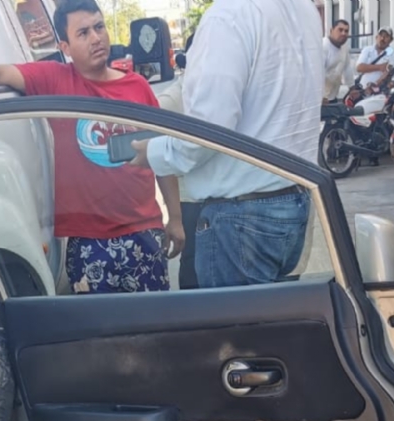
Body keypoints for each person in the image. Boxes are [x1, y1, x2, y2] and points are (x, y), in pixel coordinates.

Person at [0, 0, 185, 294]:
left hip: (144, 232)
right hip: (88, 241)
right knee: (96, 335)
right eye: (83, 33)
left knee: (154, 331)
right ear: (65, 47)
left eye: (99, 27)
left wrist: (176, 218)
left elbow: (161, 156)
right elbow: (2, 74)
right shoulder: (54, 81)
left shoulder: (137, 87)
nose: (96, 38)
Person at [132, 0, 324, 288]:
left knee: (234, 331)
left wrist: (154, 151)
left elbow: (209, 131)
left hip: (241, 218)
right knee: (274, 326)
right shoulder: (304, 11)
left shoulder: (228, 17)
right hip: (295, 200)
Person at [356, 28, 394, 93]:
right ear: (376, 37)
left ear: (391, 40)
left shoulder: (393, 55)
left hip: (380, 92)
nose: (382, 38)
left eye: (386, 36)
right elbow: (359, 68)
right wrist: (380, 67)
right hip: (362, 89)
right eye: (381, 35)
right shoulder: (367, 50)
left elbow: (387, 74)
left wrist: (374, 86)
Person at [324, 19, 352, 100]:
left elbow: (347, 67)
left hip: (332, 96)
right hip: (320, 100)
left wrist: (352, 87)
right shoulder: (323, 47)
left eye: (346, 31)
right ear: (331, 31)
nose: (343, 33)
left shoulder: (344, 48)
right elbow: (317, 74)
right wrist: (321, 96)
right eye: (340, 30)